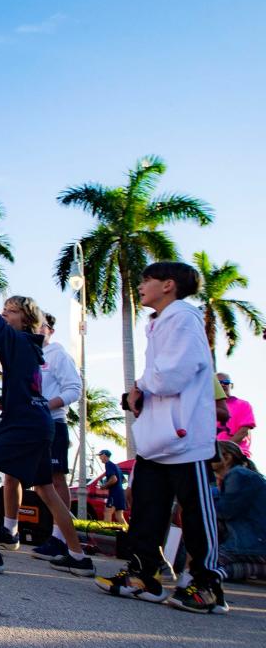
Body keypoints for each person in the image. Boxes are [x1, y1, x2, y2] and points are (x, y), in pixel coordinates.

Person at [95, 262, 226, 614]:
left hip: (185, 437)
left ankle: (208, 585)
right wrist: (138, 392)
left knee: (197, 513)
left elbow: (173, 374)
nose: (141, 286)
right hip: (159, 438)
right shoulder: (161, 323)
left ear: (168, 285)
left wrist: (141, 386)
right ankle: (142, 576)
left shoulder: (183, 317)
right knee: (147, 510)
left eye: (146, 280)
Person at [0, 295, 95, 577]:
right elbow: (26, 384)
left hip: (25, 422)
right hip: (37, 420)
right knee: (45, 490)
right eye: (2, 310)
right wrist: (9, 399)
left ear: (25, 319)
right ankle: (78, 555)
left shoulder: (17, 341)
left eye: (10, 311)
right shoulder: (30, 347)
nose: (4, 315)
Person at [2, 311, 82, 558]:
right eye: (33, 324)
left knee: (53, 481)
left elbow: (74, 389)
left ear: (50, 330)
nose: (37, 329)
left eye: (42, 325)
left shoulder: (58, 355)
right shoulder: (25, 352)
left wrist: (42, 405)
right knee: (11, 474)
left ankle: (61, 539)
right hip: (25, 424)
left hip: (52, 423)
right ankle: (9, 530)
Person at [212, 440, 266, 581]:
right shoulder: (243, 475)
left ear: (227, 458)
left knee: (208, 564)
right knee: (216, 567)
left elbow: (224, 511)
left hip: (252, 544)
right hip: (255, 543)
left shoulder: (238, 475)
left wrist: (216, 490)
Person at [216, 373, 255, 458]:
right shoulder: (208, 408)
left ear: (231, 385)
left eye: (226, 382)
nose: (222, 384)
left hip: (237, 455)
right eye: (218, 383)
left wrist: (223, 451)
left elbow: (243, 432)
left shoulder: (243, 404)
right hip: (213, 458)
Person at [97, 450, 128, 527]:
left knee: (107, 512)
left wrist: (105, 486)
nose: (99, 457)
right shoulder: (116, 466)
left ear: (104, 455)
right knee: (119, 516)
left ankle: (106, 531)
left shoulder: (108, 465)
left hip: (114, 493)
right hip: (120, 494)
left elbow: (114, 479)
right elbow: (124, 480)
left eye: (100, 455)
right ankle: (129, 533)